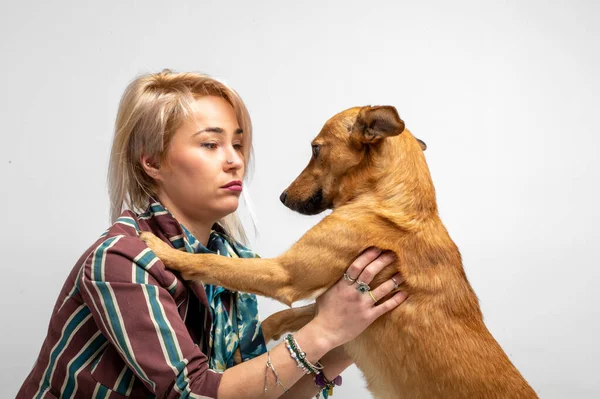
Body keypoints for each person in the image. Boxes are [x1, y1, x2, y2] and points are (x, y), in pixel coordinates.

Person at [17, 70, 406, 398]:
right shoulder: (122, 260)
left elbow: (257, 390)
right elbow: (196, 392)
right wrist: (323, 330)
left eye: (237, 143)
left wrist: (354, 332)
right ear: (151, 161)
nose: (236, 160)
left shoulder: (233, 263)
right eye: (211, 144)